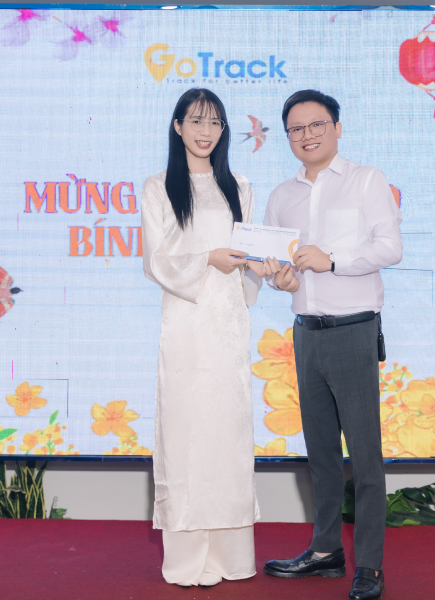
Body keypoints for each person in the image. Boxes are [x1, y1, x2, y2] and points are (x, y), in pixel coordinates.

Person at [260, 90, 403, 600]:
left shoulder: (366, 180)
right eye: (296, 129)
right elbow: (282, 270)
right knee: (320, 454)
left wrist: (333, 260)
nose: (307, 135)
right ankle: (325, 552)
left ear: (337, 127)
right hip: (306, 334)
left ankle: (370, 566)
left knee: (365, 457)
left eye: (316, 124)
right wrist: (281, 279)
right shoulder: (282, 196)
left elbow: (390, 247)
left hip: (353, 331)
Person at [141, 88, 273, 587]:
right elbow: (157, 261)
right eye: (196, 120)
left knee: (227, 435)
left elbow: (250, 259)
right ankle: (187, 561)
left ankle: (229, 557)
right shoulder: (159, 187)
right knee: (185, 433)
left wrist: (263, 268)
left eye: (215, 122)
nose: (205, 131)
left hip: (229, 324)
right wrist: (207, 260)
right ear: (177, 126)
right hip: (185, 323)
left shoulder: (239, 185)